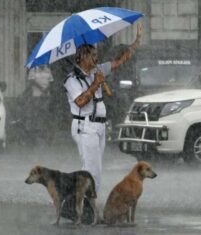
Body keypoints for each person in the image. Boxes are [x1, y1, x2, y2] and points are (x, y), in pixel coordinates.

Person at [63, 23, 142, 193]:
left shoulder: (96, 70)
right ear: (81, 57)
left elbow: (118, 62)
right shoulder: (72, 79)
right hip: (85, 125)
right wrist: (96, 83)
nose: (96, 59)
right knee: (92, 169)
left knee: (96, 167)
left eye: (96, 55)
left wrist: (135, 43)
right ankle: (85, 202)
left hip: (99, 126)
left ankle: (88, 199)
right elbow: (81, 101)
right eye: (92, 55)